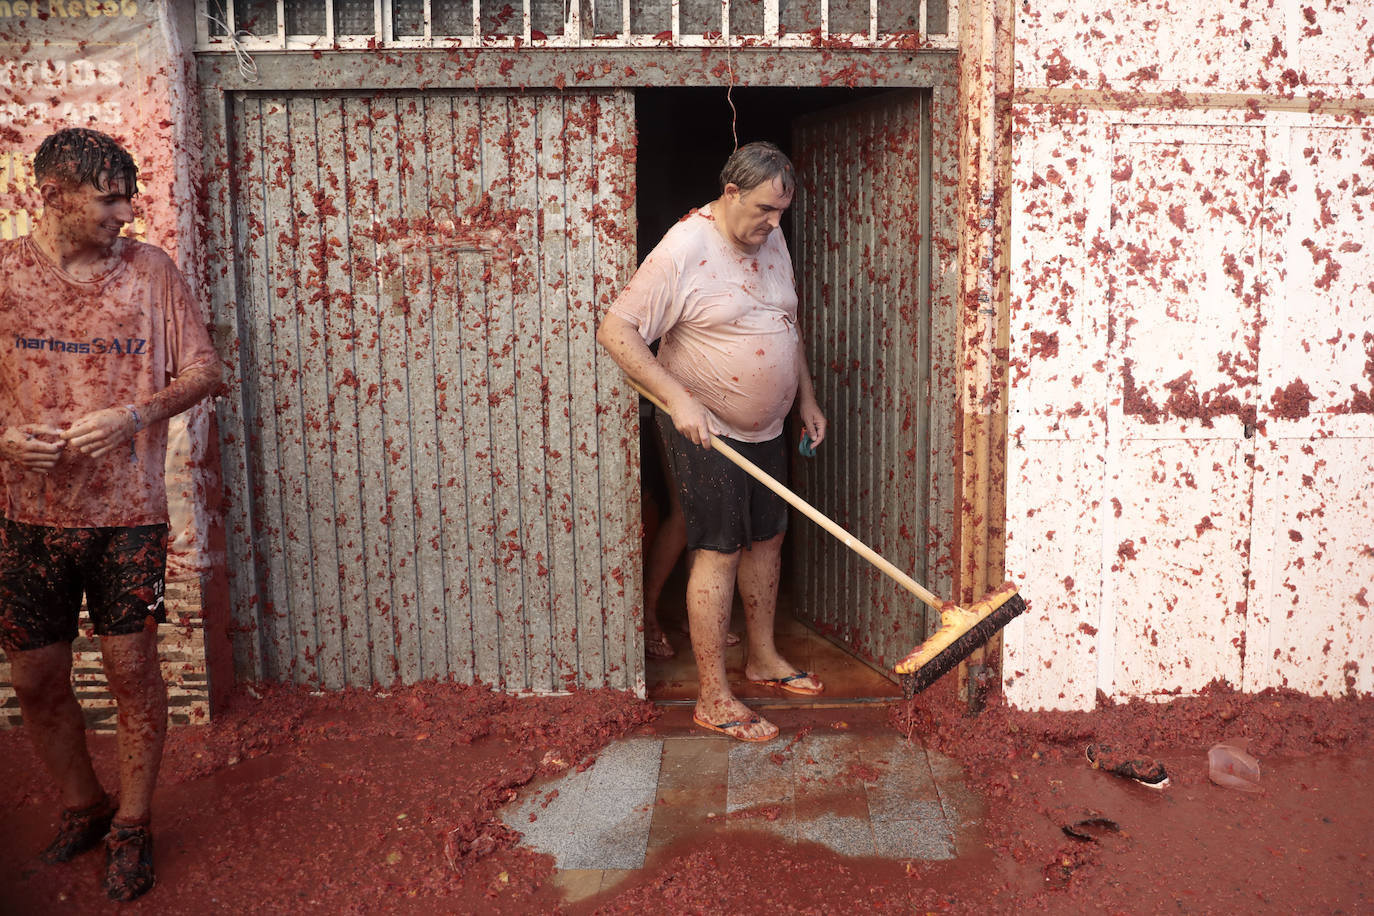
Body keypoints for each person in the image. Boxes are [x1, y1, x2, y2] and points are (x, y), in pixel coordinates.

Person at [0, 128, 222, 902]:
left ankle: (132, 822)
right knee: (35, 678)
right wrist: (3, 438)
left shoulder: (150, 273)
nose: (125, 213)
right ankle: (81, 804)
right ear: (51, 195)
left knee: (132, 670)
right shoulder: (5, 274)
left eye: (128, 196)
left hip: (130, 515)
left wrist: (134, 417)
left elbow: (204, 371)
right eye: (108, 198)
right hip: (27, 515)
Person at [598, 141, 826, 742]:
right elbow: (616, 330)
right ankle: (714, 696)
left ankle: (762, 657)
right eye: (763, 211)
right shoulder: (686, 247)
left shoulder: (769, 237)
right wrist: (677, 398)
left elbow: (786, 322)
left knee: (768, 540)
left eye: (782, 213)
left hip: (768, 428)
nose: (774, 225)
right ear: (730, 193)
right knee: (719, 550)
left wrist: (803, 398)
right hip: (708, 431)